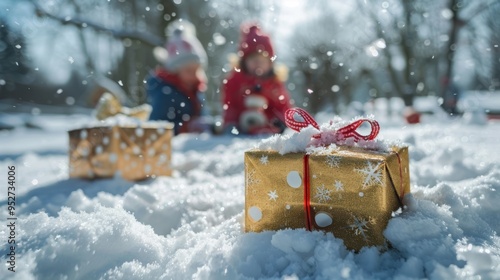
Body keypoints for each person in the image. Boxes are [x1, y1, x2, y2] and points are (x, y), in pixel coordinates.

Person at [222, 23, 292, 135]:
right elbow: (229, 106)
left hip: (268, 128)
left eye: (262, 59)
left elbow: (283, 107)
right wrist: (231, 122)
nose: (258, 63)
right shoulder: (235, 81)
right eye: (253, 59)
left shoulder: (274, 83)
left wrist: (280, 121)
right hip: (239, 128)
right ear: (244, 62)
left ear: (270, 63)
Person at [147, 20, 208, 135]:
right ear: (175, 71)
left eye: (197, 70)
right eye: (188, 70)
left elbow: (201, 115)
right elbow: (156, 126)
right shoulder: (165, 92)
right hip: (172, 148)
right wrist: (184, 127)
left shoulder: (197, 89)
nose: (194, 74)